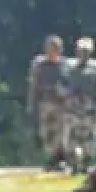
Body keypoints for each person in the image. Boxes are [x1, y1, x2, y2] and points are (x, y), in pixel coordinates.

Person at [27, 35, 72, 170]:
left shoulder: (66, 65)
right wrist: (32, 104)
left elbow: (71, 84)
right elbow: (34, 86)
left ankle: (61, 159)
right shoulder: (39, 64)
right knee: (47, 133)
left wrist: (64, 92)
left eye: (56, 48)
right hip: (45, 103)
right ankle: (51, 159)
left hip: (61, 104)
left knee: (61, 133)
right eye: (50, 47)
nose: (53, 50)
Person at [63, 36, 96, 172]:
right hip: (72, 108)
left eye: (86, 51)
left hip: (90, 108)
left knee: (89, 137)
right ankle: (73, 164)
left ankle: (86, 163)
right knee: (71, 138)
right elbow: (63, 84)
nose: (83, 54)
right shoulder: (68, 66)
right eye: (81, 51)